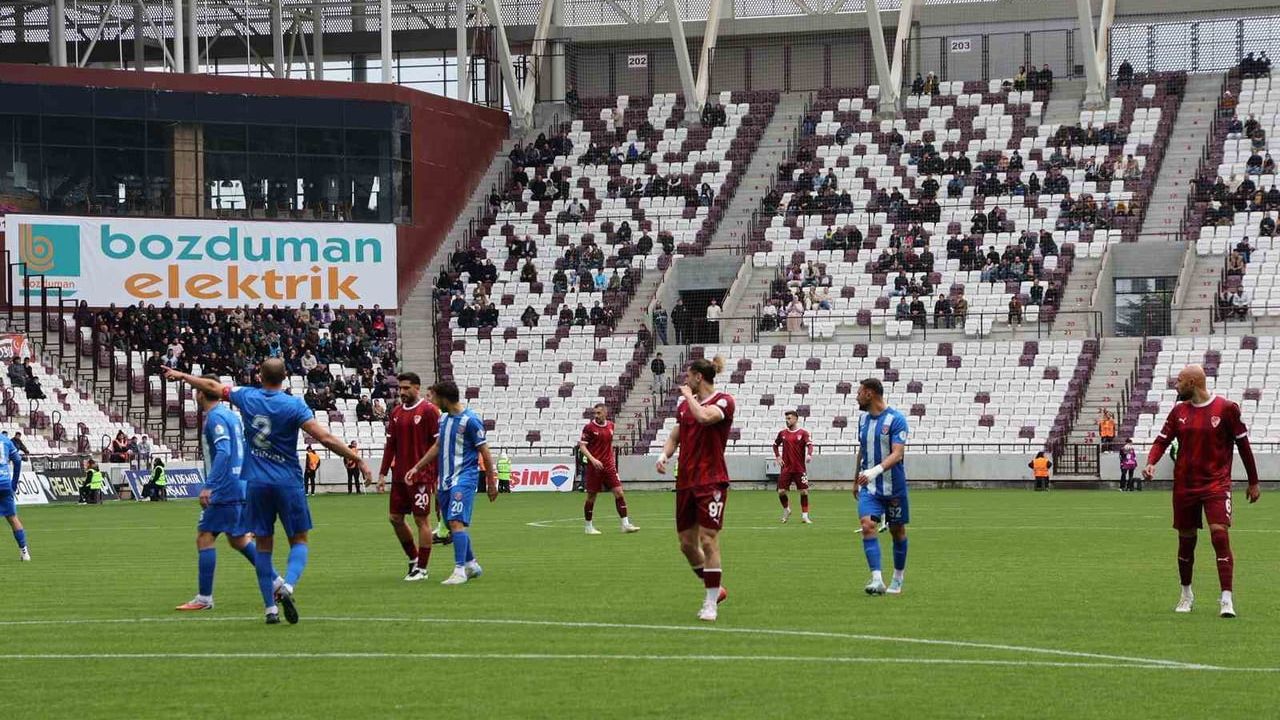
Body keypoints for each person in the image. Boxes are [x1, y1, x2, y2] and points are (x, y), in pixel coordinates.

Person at [164, 359, 372, 625]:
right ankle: (288, 585)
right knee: (299, 541)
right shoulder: (294, 405)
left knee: (263, 547)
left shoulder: (247, 397)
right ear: (285, 377)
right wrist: (358, 458)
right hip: (287, 482)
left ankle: (270, 610)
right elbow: (326, 439)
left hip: (257, 483)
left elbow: (212, 386)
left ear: (259, 376)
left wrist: (182, 375)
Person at [1143, 364, 1260, 619]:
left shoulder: (1226, 409)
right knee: (1186, 541)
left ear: (1193, 383)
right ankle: (1186, 594)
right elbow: (1162, 440)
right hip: (1185, 485)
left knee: (1220, 535)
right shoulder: (1178, 412)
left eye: (1180, 381)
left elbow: (1244, 446)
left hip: (1216, 484)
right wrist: (1151, 461)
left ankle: (1226, 599)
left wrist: (1253, 481)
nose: (1176, 385)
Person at [175, 376, 278, 612]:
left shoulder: (216, 418)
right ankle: (276, 581)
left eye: (197, 390)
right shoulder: (231, 415)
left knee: (205, 537)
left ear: (201, 393)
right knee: (238, 539)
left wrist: (210, 485)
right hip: (240, 483)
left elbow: (223, 451)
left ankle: (204, 598)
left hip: (225, 487)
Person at [655, 357, 735, 622]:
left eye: (688, 376)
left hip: (711, 480)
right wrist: (664, 455)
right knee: (687, 545)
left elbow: (703, 417)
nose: (685, 381)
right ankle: (716, 588)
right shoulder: (683, 407)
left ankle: (710, 602)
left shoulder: (724, 401)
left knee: (708, 540)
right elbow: (675, 436)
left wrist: (689, 397)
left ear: (698, 377)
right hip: (685, 481)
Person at [405, 380, 497, 586]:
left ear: (444, 398)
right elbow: (438, 446)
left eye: (434, 397)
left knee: (456, 522)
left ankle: (459, 570)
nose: (432, 402)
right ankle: (471, 564)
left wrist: (491, 481)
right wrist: (417, 467)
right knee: (450, 522)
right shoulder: (444, 419)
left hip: (464, 478)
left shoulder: (471, 420)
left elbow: (485, 453)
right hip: (445, 480)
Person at [377, 372, 441, 582]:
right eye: (399, 388)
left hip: (421, 476)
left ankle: (422, 568)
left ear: (417, 388)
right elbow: (390, 446)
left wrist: (438, 476)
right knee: (394, 518)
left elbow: (438, 446)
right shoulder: (395, 412)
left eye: (406, 388)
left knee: (421, 519)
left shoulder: (430, 411)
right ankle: (413, 558)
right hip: (400, 476)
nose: (401, 392)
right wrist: (382, 473)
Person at [854, 378, 910, 596]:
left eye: (859, 392)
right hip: (869, 488)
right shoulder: (862, 421)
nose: (856, 397)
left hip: (893, 488)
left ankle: (897, 578)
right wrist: (855, 479)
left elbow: (898, 453)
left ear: (870, 394)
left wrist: (874, 471)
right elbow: (862, 450)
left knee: (897, 531)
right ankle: (877, 579)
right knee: (867, 525)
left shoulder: (896, 419)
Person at [579, 403, 639, 535]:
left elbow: (607, 445)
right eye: (595, 413)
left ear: (606, 413)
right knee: (591, 497)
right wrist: (593, 460)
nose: (596, 415)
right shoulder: (589, 427)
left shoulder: (611, 425)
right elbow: (582, 446)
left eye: (599, 413)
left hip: (609, 466)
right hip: (594, 467)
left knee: (619, 493)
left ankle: (625, 524)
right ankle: (588, 527)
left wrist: (609, 459)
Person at [773, 410, 814, 524]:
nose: (787, 421)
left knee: (804, 492)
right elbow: (775, 445)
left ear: (796, 419)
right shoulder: (782, 433)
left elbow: (810, 445)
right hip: (786, 468)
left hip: (799, 468)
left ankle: (805, 516)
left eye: (789, 418)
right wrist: (778, 456)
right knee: (781, 491)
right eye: (786, 419)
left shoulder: (803, 433)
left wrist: (809, 455)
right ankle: (787, 509)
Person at [0, 430, 28, 561]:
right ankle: (24, 552)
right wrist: (14, 484)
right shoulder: (6, 441)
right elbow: (17, 461)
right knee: (12, 518)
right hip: (5, 484)